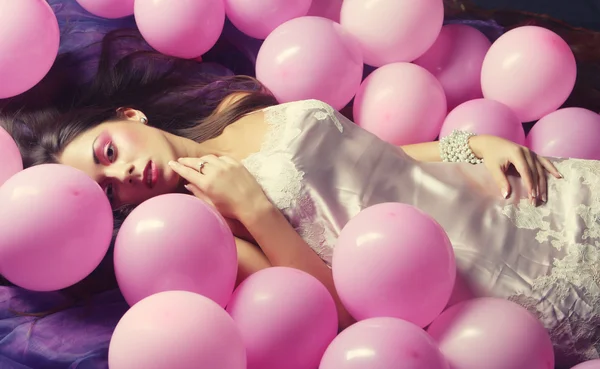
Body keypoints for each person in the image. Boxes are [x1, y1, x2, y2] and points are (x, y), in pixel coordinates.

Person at [1, 29, 599, 368]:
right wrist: (254, 212)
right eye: (111, 192)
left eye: (108, 153)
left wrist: (472, 147)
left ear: (127, 114)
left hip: (524, 194)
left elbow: (380, 157)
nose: (128, 171)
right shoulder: (208, 232)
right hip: (499, 282)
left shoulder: (231, 110)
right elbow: (336, 319)